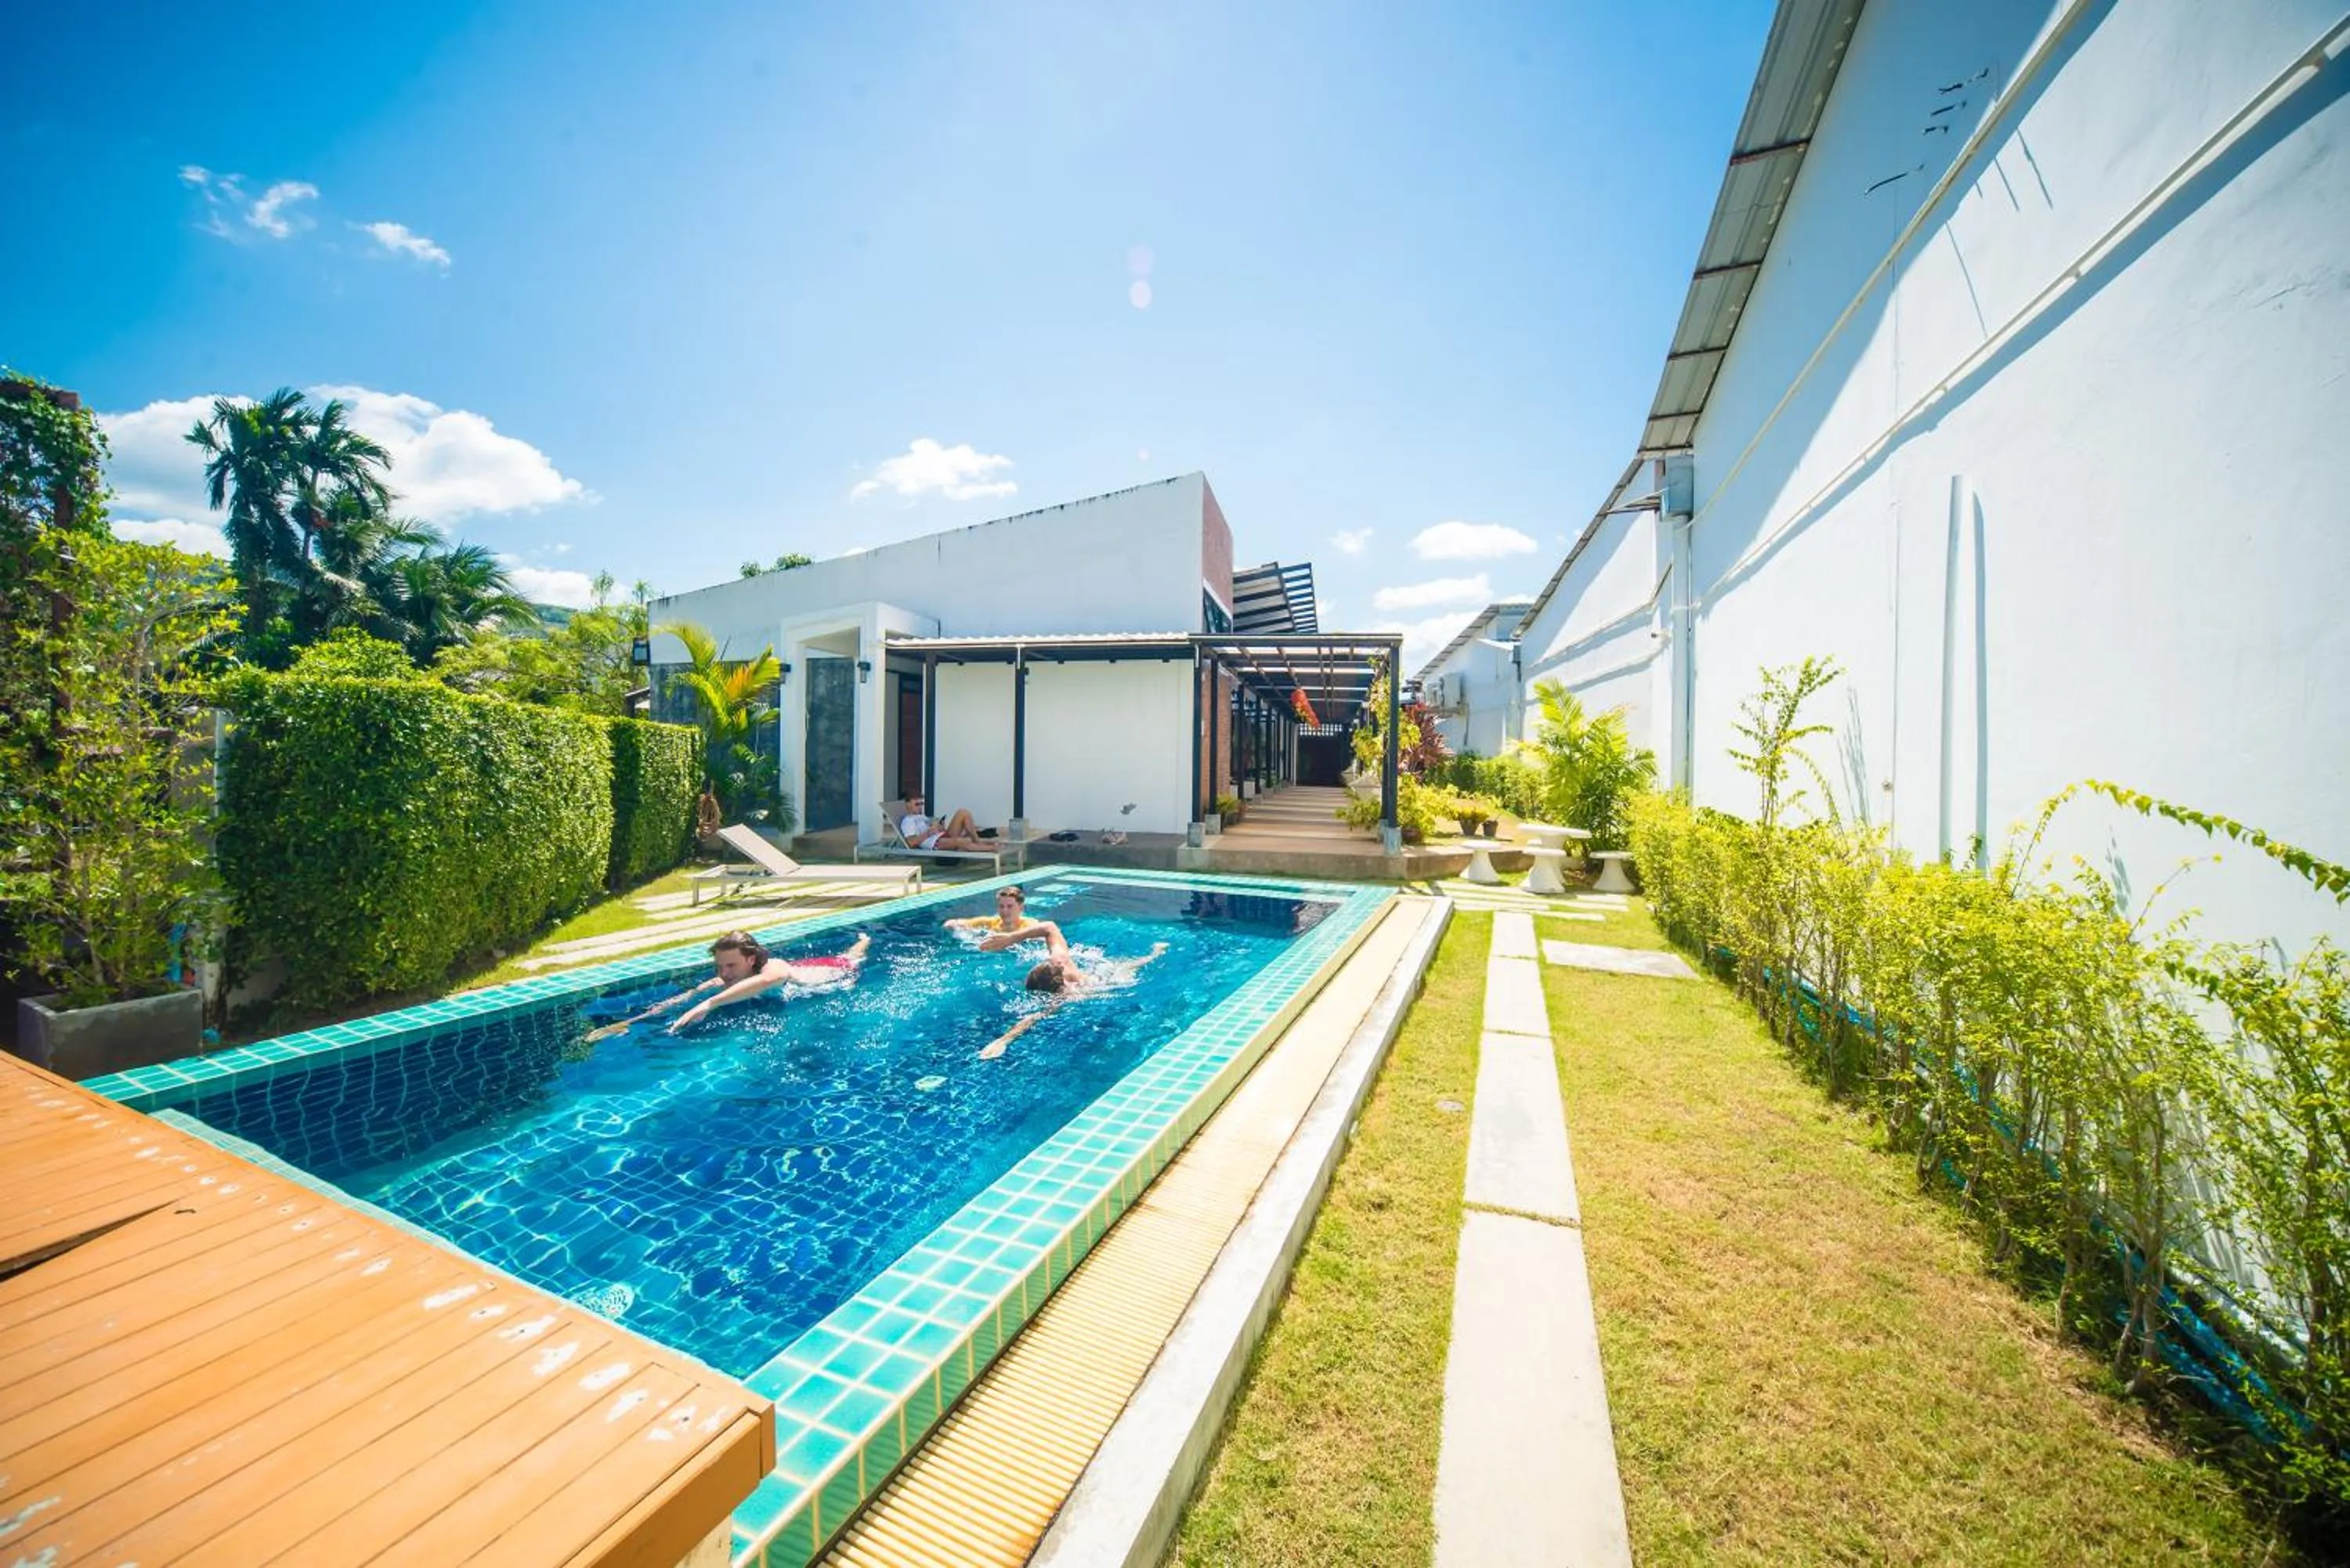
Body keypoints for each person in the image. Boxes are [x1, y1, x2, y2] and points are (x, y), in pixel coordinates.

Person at [584, 930, 870, 1041]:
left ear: (750, 959)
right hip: (804, 976)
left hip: (833, 974)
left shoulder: (774, 967)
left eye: (731, 966)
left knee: (851, 957)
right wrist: (630, 1021)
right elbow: (685, 997)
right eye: (719, 966)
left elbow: (770, 980)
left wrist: (710, 1003)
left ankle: (864, 940)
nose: (724, 973)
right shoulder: (724, 980)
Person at [978, 920, 1168, 1059]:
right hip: (1094, 971)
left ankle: (1156, 953)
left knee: (1127, 970)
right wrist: (1011, 938)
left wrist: (1004, 1040)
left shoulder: (1065, 996)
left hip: (1102, 982)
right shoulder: (1060, 961)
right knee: (1121, 965)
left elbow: (1034, 1017)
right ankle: (1156, 951)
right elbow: (1049, 927)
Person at [945, 884, 1050, 948]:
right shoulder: (990, 923)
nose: (1005, 911)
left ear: (1021, 908)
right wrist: (970, 937)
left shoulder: (1029, 925)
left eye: (1010, 906)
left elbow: (1042, 938)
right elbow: (950, 924)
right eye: (1001, 906)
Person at [898, 793, 993, 853]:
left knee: (963, 813)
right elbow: (911, 843)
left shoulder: (921, 817)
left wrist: (937, 826)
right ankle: (992, 849)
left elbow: (930, 827)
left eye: (921, 804)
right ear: (908, 805)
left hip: (941, 835)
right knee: (963, 841)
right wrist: (929, 833)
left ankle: (978, 842)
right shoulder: (908, 821)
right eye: (917, 804)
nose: (920, 807)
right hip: (935, 843)